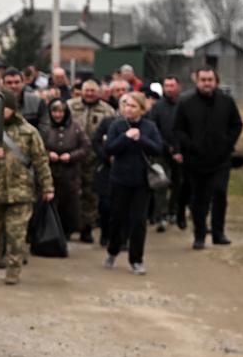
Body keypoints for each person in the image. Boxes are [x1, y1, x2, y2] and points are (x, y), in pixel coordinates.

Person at [0, 91, 54, 285]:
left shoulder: (29, 131)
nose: (1, 112)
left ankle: (13, 272)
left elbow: (41, 161)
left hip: (21, 193)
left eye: (5, 108)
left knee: (16, 236)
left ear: (13, 109)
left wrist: (48, 187)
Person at [174, 66, 243, 250]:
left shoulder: (226, 101)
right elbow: (178, 129)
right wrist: (189, 146)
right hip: (195, 161)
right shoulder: (185, 102)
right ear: (197, 81)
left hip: (220, 159)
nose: (207, 83)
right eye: (203, 80)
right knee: (199, 199)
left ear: (216, 81)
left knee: (220, 193)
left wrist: (227, 143)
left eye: (210, 80)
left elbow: (237, 124)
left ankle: (218, 233)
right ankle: (200, 235)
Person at [103, 92, 163, 274]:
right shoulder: (117, 125)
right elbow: (109, 149)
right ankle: (113, 251)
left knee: (138, 222)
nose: (128, 109)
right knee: (117, 219)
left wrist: (141, 138)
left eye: (133, 106)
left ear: (142, 110)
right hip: (120, 179)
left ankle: (136, 260)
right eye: (126, 105)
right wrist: (125, 137)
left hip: (142, 182)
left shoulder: (149, 127)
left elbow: (158, 149)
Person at [68, 79, 117, 243]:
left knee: (91, 194)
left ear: (99, 92)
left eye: (92, 91)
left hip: (94, 159)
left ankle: (87, 228)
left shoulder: (107, 111)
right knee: (71, 193)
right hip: (72, 157)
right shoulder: (70, 106)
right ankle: (69, 226)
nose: (89, 94)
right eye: (86, 90)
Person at [44, 98, 91, 237]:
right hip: (49, 172)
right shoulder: (45, 127)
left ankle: (68, 231)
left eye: (60, 112)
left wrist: (71, 156)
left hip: (70, 173)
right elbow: (37, 147)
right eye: (54, 111)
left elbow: (86, 147)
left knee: (70, 205)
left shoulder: (75, 127)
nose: (57, 115)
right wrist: (48, 154)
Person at [146, 75, 187, 231]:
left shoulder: (184, 105)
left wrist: (179, 149)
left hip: (182, 152)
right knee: (161, 184)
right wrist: (167, 147)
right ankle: (160, 215)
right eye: (166, 86)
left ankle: (174, 211)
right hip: (161, 151)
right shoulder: (157, 107)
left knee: (179, 184)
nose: (169, 89)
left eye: (172, 86)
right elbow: (153, 129)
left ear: (178, 87)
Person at [3, 67, 49, 136]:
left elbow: (45, 127)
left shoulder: (37, 102)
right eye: (9, 83)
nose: (13, 86)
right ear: (3, 84)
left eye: (17, 82)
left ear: (23, 83)